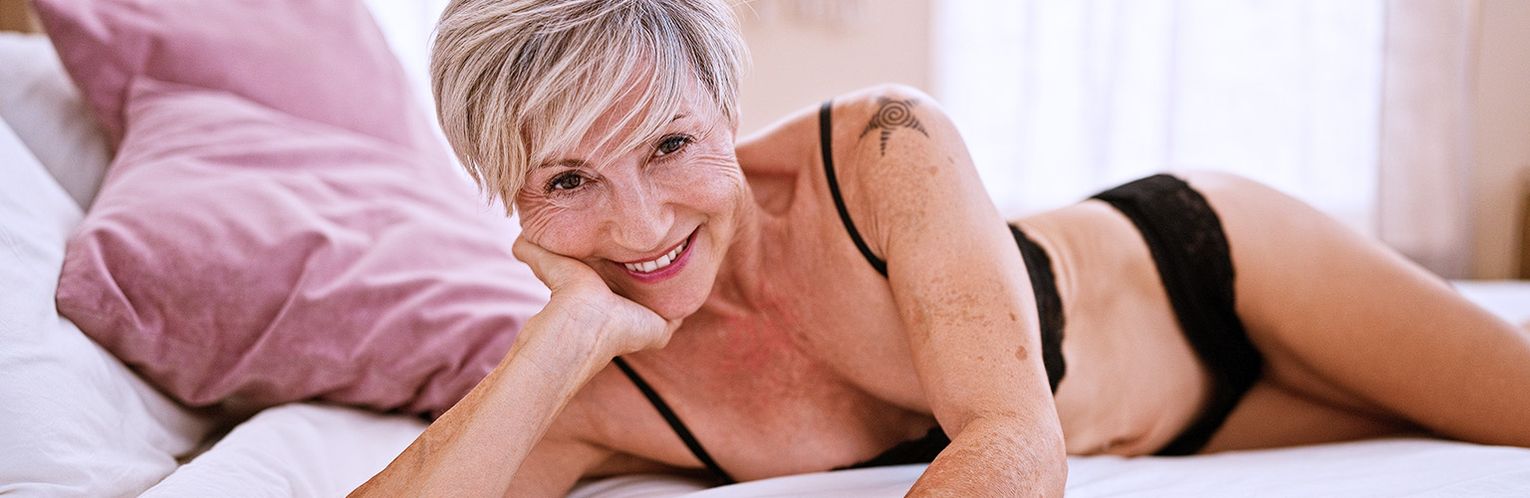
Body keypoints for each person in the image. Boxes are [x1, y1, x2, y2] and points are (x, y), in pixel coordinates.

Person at [353, 0, 1530, 496]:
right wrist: (568, 331)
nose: (642, 227)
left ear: (725, 106)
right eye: (568, 180)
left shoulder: (875, 148)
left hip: (1216, 269)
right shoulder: (591, 389)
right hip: (1188, 425)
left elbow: (1016, 439)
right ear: (504, 196)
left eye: (669, 145)